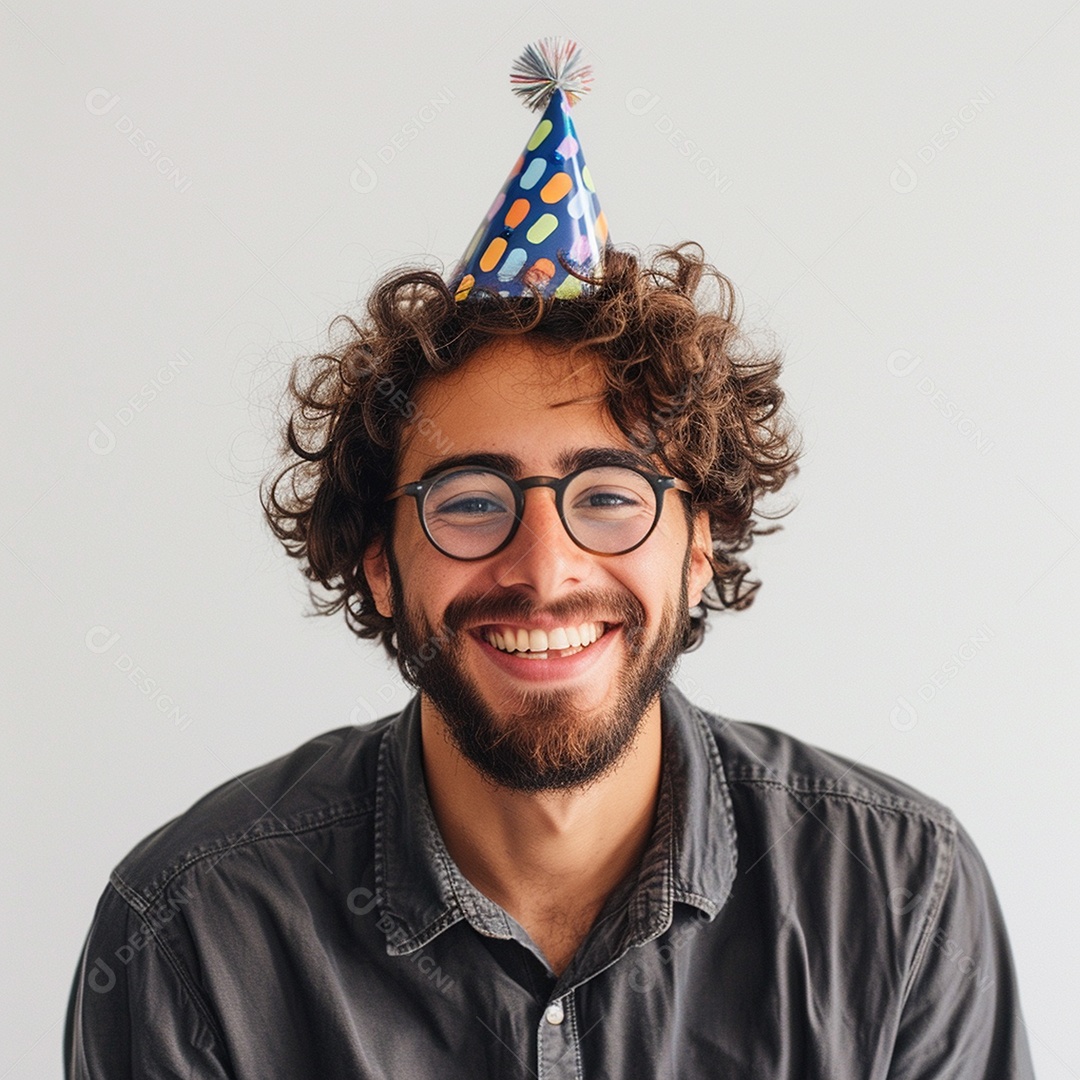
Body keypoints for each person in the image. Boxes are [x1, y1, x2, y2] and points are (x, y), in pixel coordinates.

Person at [66, 40, 1034, 1079]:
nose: (546, 566)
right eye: (471, 501)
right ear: (381, 562)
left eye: (609, 497)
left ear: (699, 543)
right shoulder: (188, 933)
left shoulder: (901, 899)